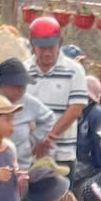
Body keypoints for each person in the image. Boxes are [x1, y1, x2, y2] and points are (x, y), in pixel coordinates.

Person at [20, 19, 85, 157]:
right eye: (42, 48)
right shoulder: (23, 71)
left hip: (62, 153)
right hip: (28, 154)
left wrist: (48, 139)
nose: (47, 53)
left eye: (51, 47)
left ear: (60, 43)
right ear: (32, 44)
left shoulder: (74, 70)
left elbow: (75, 110)